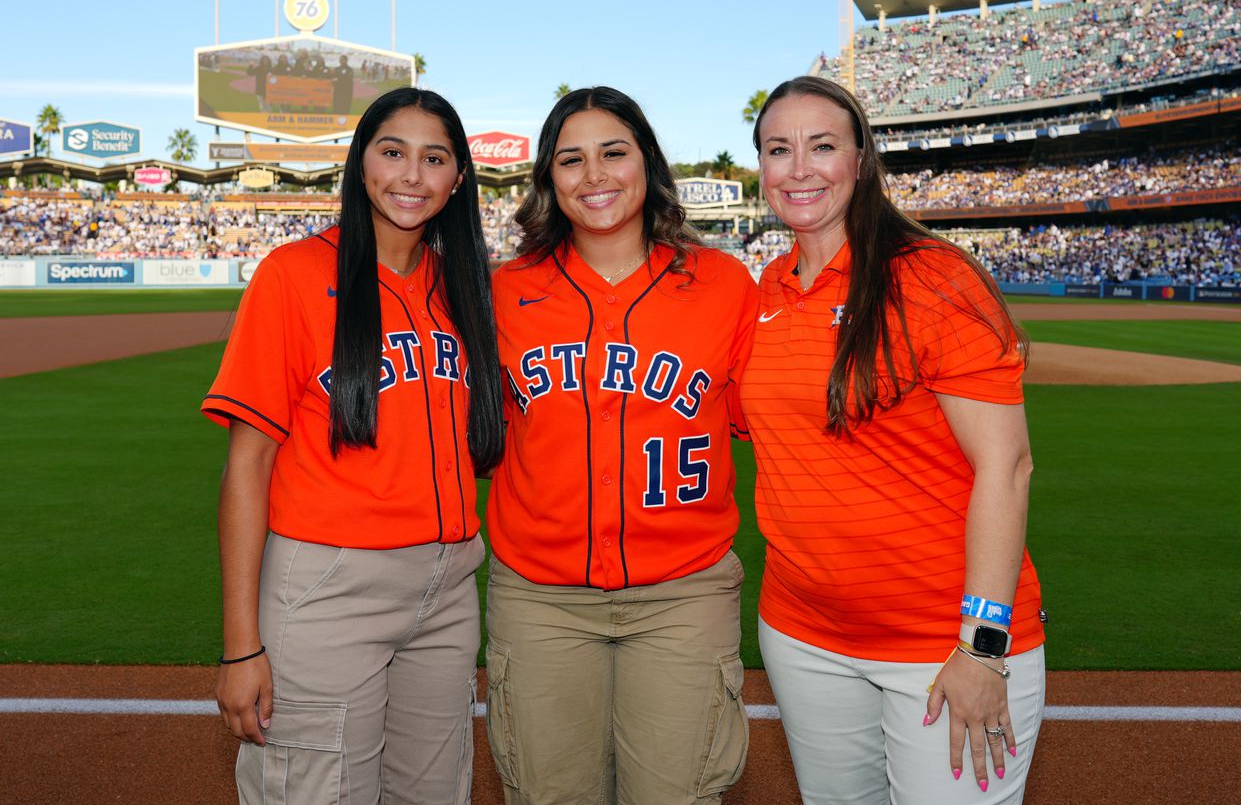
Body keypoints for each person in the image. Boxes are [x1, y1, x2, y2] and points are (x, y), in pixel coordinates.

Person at [739, 76, 1046, 805]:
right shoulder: (766, 292)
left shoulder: (932, 278)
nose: (800, 167)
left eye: (822, 146)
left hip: (941, 640)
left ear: (861, 159)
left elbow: (1007, 465)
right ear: (762, 169)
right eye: (779, 149)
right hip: (802, 636)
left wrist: (983, 646)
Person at [202, 86, 502, 805]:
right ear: (360, 162)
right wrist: (242, 644)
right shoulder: (295, 273)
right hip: (330, 586)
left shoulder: (463, 286)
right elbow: (247, 464)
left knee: (434, 792)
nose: (410, 174)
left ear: (458, 177)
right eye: (391, 151)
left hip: (449, 586)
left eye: (434, 158)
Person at [484, 86, 757, 805]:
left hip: (684, 591)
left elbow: (790, 403)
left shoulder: (725, 284)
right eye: (570, 160)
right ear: (547, 180)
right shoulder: (501, 292)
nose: (594, 175)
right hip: (540, 595)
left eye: (614, 152)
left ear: (648, 163)